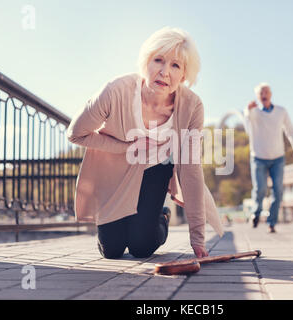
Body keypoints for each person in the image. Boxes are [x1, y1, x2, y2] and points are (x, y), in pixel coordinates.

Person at [67, 27, 223, 259]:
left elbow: (191, 169)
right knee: (112, 250)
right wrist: (126, 148)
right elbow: (76, 133)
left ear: (184, 74)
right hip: (115, 168)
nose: (164, 72)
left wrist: (197, 238)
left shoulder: (192, 106)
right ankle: (125, 226)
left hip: (156, 168)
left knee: (142, 247)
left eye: (176, 65)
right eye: (158, 60)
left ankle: (161, 216)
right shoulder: (115, 91)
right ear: (145, 62)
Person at [243, 83, 293, 233]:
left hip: (278, 157)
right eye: (261, 93)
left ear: (270, 94)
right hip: (258, 157)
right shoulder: (254, 112)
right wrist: (248, 109)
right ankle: (256, 213)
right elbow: (246, 123)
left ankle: (272, 222)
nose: (264, 94)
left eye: (266, 92)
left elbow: (290, 131)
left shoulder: (281, 111)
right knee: (260, 189)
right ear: (258, 97)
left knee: (278, 191)